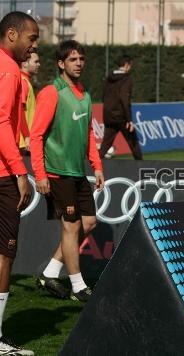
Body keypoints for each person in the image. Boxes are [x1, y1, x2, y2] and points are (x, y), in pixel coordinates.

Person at [31, 40, 104, 303]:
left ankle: (50, 272)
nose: (79, 64)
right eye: (73, 59)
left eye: (81, 59)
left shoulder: (84, 94)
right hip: (57, 172)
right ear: (61, 63)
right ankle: (78, 286)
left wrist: (97, 166)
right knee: (71, 228)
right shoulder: (51, 92)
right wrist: (39, 174)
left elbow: (88, 134)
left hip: (78, 172)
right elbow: (36, 136)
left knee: (89, 223)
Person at [0, 11, 38, 356]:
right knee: (3, 254)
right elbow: (0, 122)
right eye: (32, 38)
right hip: (2, 175)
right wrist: (19, 171)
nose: (34, 45)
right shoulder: (10, 70)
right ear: (12, 34)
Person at [99, 54, 143, 160]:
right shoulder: (127, 79)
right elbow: (124, 99)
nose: (130, 68)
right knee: (133, 142)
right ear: (127, 65)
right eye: (130, 65)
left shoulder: (109, 78)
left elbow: (103, 96)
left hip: (108, 115)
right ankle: (142, 168)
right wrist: (129, 120)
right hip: (121, 117)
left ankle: (91, 167)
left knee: (106, 144)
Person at [18, 51, 40, 153]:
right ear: (24, 64)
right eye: (36, 62)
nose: (39, 64)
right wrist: (27, 136)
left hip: (24, 142)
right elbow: (20, 111)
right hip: (22, 142)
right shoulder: (23, 81)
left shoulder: (25, 81)